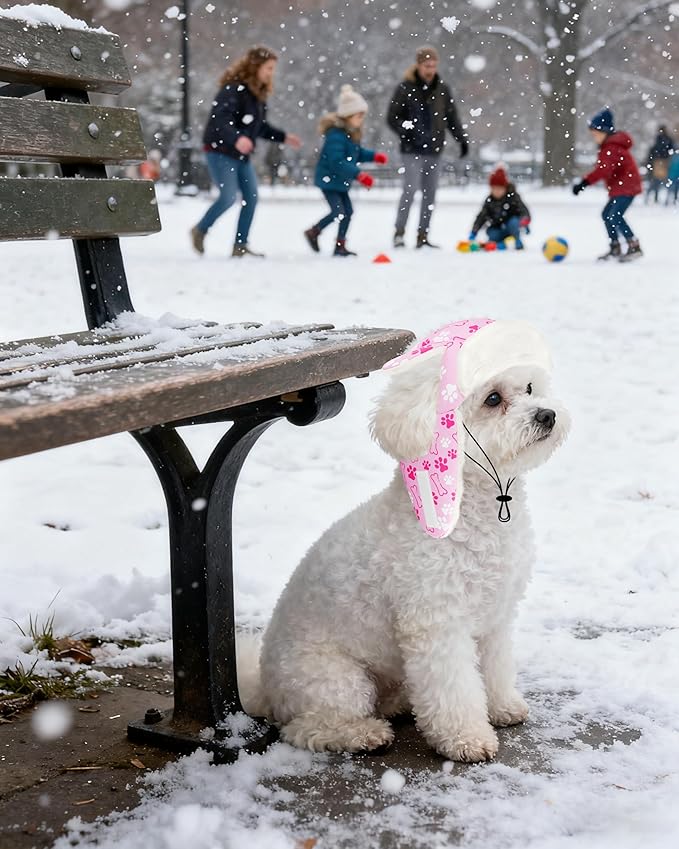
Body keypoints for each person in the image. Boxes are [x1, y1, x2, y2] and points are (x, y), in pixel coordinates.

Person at [191, 46, 302, 258]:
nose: (271, 73)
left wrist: (283, 137)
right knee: (228, 197)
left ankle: (240, 245)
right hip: (220, 150)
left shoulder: (257, 95)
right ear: (255, 66)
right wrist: (237, 137)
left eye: (272, 69)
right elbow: (220, 120)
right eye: (268, 68)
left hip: (241, 154)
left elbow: (259, 127)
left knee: (251, 197)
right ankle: (200, 230)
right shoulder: (233, 89)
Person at [387, 45, 469, 249]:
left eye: (433, 65)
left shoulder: (442, 89)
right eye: (426, 65)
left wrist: (461, 139)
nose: (430, 69)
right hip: (411, 149)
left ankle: (422, 235)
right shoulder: (405, 88)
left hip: (434, 150)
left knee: (430, 195)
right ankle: (399, 232)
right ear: (418, 65)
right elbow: (392, 117)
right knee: (410, 190)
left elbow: (452, 118)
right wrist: (406, 130)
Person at [303, 85, 388, 257]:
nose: (361, 119)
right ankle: (314, 232)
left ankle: (340, 245)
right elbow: (337, 162)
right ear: (348, 115)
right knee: (339, 212)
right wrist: (359, 175)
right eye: (359, 116)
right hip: (329, 180)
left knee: (347, 212)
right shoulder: (336, 135)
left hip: (340, 181)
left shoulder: (350, 134)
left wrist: (374, 156)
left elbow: (356, 154)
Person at [572, 108, 643, 262]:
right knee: (607, 215)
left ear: (605, 132)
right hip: (622, 187)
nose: (594, 137)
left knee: (614, 215)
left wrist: (584, 183)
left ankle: (634, 246)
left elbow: (603, 170)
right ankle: (615, 246)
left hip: (626, 187)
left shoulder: (611, 147)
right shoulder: (610, 146)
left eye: (596, 134)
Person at [468, 166, 531, 250]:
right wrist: (474, 231)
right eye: (494, 188)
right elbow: (481, 216)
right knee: (492, 233)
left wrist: (524, 222)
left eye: (500, 189)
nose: (497, 191)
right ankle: (499, 243)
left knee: (513, 222)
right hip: (497, 227)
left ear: (505, 188)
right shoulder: (489, 200)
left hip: (512, 229)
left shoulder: (513, 197)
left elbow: (524, 211)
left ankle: (516, 241)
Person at [645, 124, 675, 203]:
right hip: (664, 161)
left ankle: (654, 197)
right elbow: (671, 149)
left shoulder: (658, 139)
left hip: (659, 161)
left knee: (656, 181)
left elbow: (653, 150)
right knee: (665, 181)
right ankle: (666, 199)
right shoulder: (667, 139)